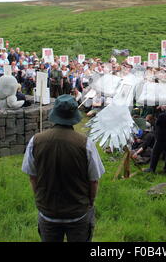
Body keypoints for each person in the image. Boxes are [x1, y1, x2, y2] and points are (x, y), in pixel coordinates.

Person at [22, 95, 105, 242]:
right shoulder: (86, 144)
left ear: (54, 115)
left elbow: (32, 177)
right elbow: (94, 181)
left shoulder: (36, 141)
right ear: (74, 117)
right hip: (78, 212)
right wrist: (90, 203)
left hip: (48, 211)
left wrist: (40, 198)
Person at [144, 104, 166, 174]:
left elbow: (157, 124)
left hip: (161, 137)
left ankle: (151, 169)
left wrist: (157, 114)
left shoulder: (162, 115)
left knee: (155, 153)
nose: (162, 106)